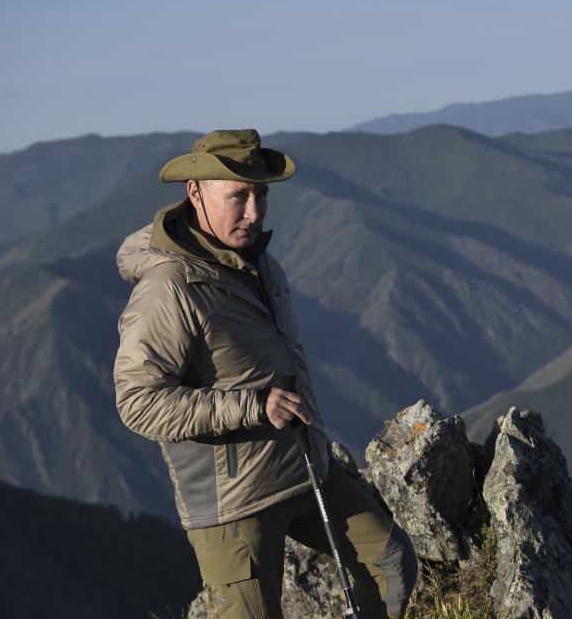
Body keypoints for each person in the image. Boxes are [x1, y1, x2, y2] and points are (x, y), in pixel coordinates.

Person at [113, 129, 417, 619]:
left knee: (391, 562)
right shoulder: (169, 288)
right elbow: (138, 402)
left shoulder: (256, 262)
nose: (254, 212)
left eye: (261, 194)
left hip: (304, 468)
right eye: (238, 195)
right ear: (196, 193)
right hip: (234, 507)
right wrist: (253, 406)